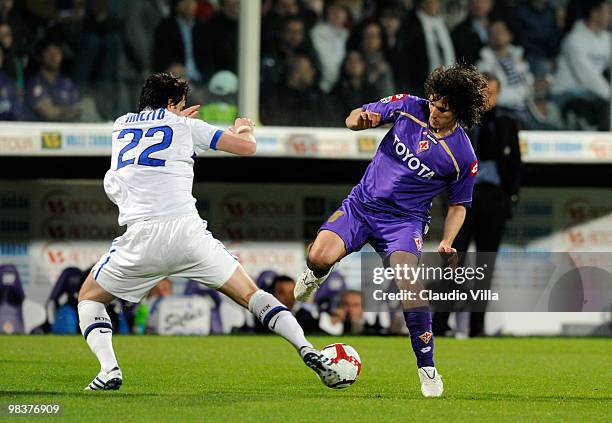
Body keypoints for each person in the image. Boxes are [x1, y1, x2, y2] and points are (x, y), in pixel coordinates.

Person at [77, 73, 341, 391]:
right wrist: (243, 127)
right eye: (183, 105)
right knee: (252, 295)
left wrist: (178, 122)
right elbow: (246, 148)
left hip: (141, 237)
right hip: (187, 233)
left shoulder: (121, 125)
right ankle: (306, 349)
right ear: (173, 104)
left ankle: (109, 370)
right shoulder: (187, 127)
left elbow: (160, 145)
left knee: (89, 298)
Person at [294, 64, 488, 398]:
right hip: (361, 206)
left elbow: (459, 205)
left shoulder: (462, 155)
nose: (433, 111)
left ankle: (427, 369)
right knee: (318, 255)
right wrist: (360, 121)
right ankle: (316, 274)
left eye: (442, 109)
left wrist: (447, 240)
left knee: (409, 285)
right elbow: (356, 116)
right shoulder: (408, 106)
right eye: (432, 102)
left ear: (458, 110)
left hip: (403, 222)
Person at [432, 73, 521, 338]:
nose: (487, 99)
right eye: (483, 93)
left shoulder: (506, 123)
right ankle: (439, 323)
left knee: (485, 264)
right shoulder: (459, 120)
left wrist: (511, 197)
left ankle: (478, 326)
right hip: (462, 199)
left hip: (493, 198)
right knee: (451, 260)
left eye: (492, 93)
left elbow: (515, 163)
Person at [550, 0, 610, 131]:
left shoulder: (607, 38)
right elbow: (587, 77)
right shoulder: (574, 39)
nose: (610, 16)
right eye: (608, 12)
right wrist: (609, 94)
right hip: (566, 93)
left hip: (592, 94)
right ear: (595, 14)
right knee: (592, 111)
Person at [25, 41, 80, 122]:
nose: (54, 56)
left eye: (58, 52)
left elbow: (78, 110)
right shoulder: (34, 83)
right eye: (49, 52)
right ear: (41, 56)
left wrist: (60, 111)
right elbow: (49, 114)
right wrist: (67, 111)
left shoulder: (67, 82)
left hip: (67, 130)